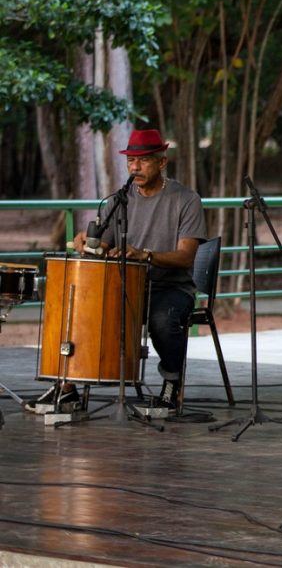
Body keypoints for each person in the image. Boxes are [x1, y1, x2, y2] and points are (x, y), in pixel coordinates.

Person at [61, 128, 205, 410]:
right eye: (130, 161)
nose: (135, 167)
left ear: (162, 162)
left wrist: (146, 255)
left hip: (170, 287)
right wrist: (87, 243)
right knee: (81, 309)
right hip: (125, 286)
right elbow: (101, 246)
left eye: (144, 160)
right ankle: (68, 385)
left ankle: (171, 384)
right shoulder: (118, 201)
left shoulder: (186, 200)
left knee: (162, 320)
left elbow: (186, 257)